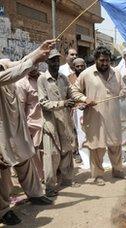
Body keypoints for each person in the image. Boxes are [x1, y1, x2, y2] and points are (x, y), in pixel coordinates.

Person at [0, 39, 55, 226]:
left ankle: (35, 194)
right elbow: (13, 74)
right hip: (1, 133)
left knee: (25, 162)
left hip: (15, 128)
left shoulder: (3, 63)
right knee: (3, 172)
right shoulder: (6, 74)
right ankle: (4, 210)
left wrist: (39, 50)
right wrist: (34, 60)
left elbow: (20, 62)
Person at [71, 46, 126, 186]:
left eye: (107, 60)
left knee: (115, 144)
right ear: (95, 59)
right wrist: (85, 99)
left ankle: (117, 170)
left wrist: (123, 92)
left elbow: (124, 88)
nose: (105, 63)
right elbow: (74, 90)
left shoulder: (116, 73)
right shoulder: (86, 74)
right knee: (97, 147)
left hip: (113, 116)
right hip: (95, 116)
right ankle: (98, 175)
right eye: (102, 60)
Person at [37, 49, 78, 197]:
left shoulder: (63, 78)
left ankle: (67, 180)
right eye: (52, 60)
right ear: (47, 62)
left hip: (65, 120)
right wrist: (63, 103)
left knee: (67, 151)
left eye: (57, 60)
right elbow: (43, 103)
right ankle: (49, 186)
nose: (55, 63)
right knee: (52, 155)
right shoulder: (42, 79)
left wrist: (78, 100)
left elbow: (71, 93)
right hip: (51, 122)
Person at [16, 66, 44, 179]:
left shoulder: (44, 78)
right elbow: (21, 107)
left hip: (48, 119)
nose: (33, 68)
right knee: (36, 150)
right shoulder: (21, 83)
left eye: (35, 65)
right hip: (33, 123)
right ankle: (40, 176)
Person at [68, 58, 86, 165]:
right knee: (75, 131)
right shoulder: (69, 78)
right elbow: (70, 93)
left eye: (81, 66)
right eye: (77, 66)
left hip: (88, 107)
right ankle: (77, 152)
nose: (80, 68)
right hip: (75, 109)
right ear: (73, 67)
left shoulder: (89, 75)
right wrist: (77, 104)